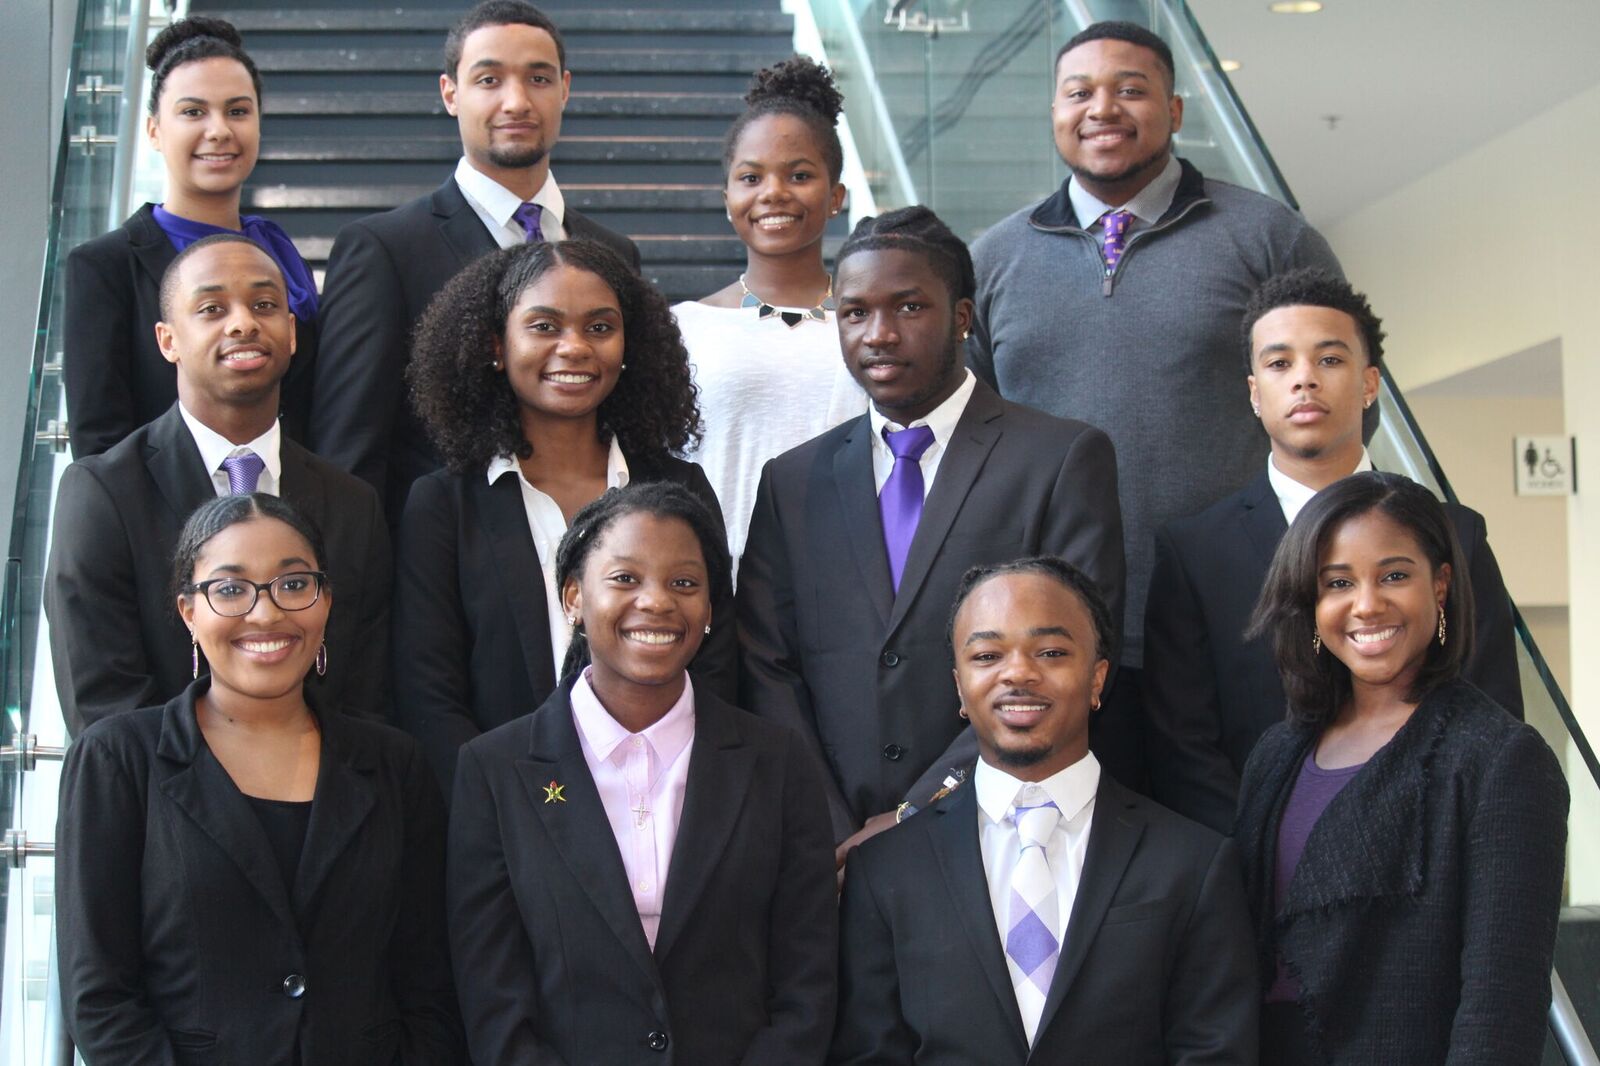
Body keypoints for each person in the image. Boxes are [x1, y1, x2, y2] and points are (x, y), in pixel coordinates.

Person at [968, 20, 1344, 783]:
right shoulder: (992, 261)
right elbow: (972, 441)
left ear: (1174, 112)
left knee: (1242, 848)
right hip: (1055, 633)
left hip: (1242, 620)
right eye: (1080, 92)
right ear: (1054, 115)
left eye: (1130, 90)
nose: (1102, 108)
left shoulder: (1267, 237)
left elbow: (1331, 400)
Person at [738, 205, 1124, 852]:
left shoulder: (1060, 460)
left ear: (963, 318)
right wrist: (830, 826)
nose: (879, 334)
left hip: (1003, 830)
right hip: (828, 852)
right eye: (856, 312)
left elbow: (1075, 658)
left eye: (909, 308)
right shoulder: (792, 480)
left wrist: (925, 808)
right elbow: (766, 667)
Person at [57, 494, 463, 1064]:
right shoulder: (118, 761)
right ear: (187, 611)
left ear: (326, 600)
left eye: (294, 585)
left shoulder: (395, 765)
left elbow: (430, 985)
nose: (267, 613)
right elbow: (100, 998)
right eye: (229, 590)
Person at [448, 482, 837, 1064]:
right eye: (625, 579)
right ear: (573, 597)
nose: (656, 602)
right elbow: (493, 998)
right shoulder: (494, 771)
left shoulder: (776, 764)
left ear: (709, 609)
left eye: (684, 583)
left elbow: (807, 984)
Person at [830, 557, 1257, 1064]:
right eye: (987, 656)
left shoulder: (1194, 864)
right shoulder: (884, 872)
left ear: (1098, 678)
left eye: (1051, 651)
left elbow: (1215, 1051)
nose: (1019, 673)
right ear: (959, 686)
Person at [1143, 269, 1523, 832]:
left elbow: (1494, 712)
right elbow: (1184, 752)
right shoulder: (1195, 551)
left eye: (1329, 360)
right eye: (1279, 364)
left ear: (1370, 384)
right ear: (1254, 393)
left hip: (1428, 860)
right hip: (1260, 876)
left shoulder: (1455, 535)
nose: (1304, 381)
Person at [1234, 472, 1566, 1064]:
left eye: (1394, 575)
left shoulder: (1500, 758)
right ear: (1311, 604)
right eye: (1337, 582)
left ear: (1440, 586)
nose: (1366, 604)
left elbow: (1501, 1004)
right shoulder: (1275, 755)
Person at [394, 238, 735, 798]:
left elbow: (715, 661)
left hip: (665, 801)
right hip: (503, 812)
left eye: (599, 328)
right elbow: (428, 693)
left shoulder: (679, 490)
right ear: (497, 347)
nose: (574, 347)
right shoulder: (443, 505)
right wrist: (506, 809)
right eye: (544, 327)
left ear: (629, 345)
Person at [45, 234, 390, 733]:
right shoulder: (103, 493)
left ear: (291, 333)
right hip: (155, 798)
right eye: (211, 308)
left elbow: (364, 696)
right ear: (168, 341)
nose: (244, 322)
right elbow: (101, 702)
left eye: (265, 305)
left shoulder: (353, 504)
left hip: (321, 798)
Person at [313, 0, 640, 524]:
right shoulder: (384, 250)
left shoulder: (614, 254)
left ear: (565, 89)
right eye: (489, 80)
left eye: (538, 78)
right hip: (440, 577)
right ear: (451, 93)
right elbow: (348, 462)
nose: (516, 101)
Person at [64, 15, 319, 458]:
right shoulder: (105, 267)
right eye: (193, 112)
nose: (219, 130)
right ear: (154, 131)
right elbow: (99, 446)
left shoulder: (277, 251)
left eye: (238, 111)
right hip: (167, 516)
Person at [675, 56, 865, 563]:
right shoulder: (681, 328)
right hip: (719, 593)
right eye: (751, 177)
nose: (774, 193)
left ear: (836, 196)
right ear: (728, 196)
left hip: (855, 589)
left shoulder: (875, 326)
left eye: (799, 174)